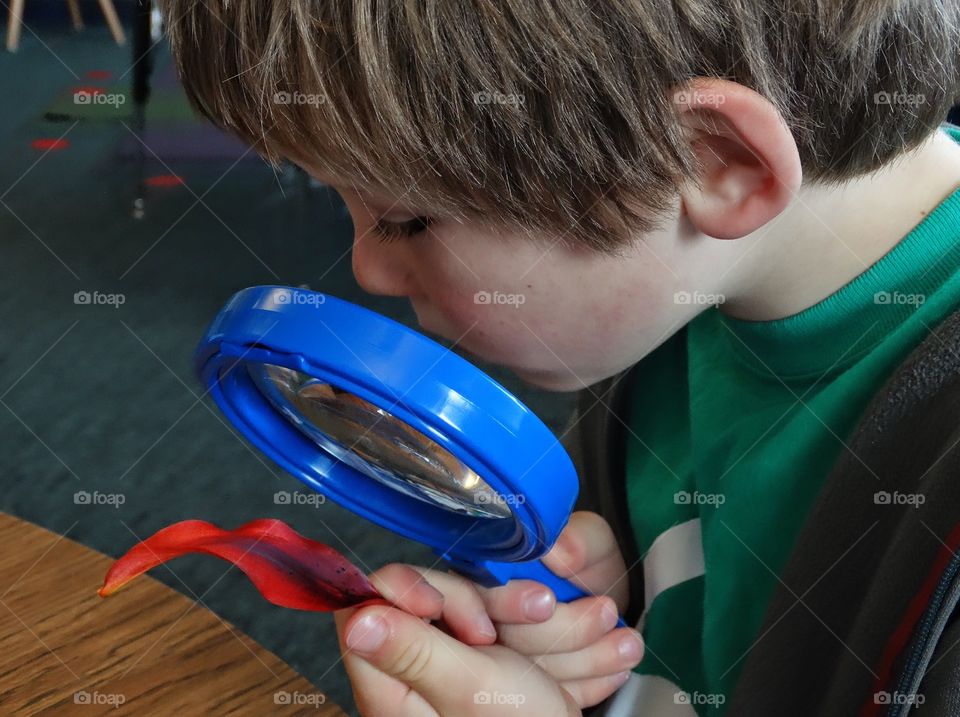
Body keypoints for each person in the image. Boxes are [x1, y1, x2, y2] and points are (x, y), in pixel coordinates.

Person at [159, 1, 960, 714]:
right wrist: (612, 614)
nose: (366, 268)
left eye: (406, 220)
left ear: (716, 161)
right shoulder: (668, 305)